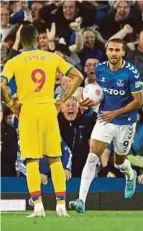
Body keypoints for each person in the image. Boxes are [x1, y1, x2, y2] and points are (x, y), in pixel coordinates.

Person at [1, 24, 84, 217]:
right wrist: (62, 99)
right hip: (49, 110)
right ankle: (61, 204)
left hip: (27, 111)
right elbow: (78, 76)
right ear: (39, 38)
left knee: (32, 160)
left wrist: (11, 103)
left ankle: (38, 205)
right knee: (55, 159)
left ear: (20, 39)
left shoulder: (14, 61)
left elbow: (1, 84)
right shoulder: (52, 57)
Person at [69, 38, 143, 213]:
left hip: (125, 122)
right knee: (92, 156)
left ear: (123, 52)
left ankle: (130, 174)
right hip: (104, 119)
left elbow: (139, 101)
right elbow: (99, 93)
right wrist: (88, 102)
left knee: (119, 163)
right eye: (111, 50)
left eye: (117, 50)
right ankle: (81, 201)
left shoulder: (131, 73)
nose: (114, 53)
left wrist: (116, 113)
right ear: (106, 51)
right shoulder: (100, 69)